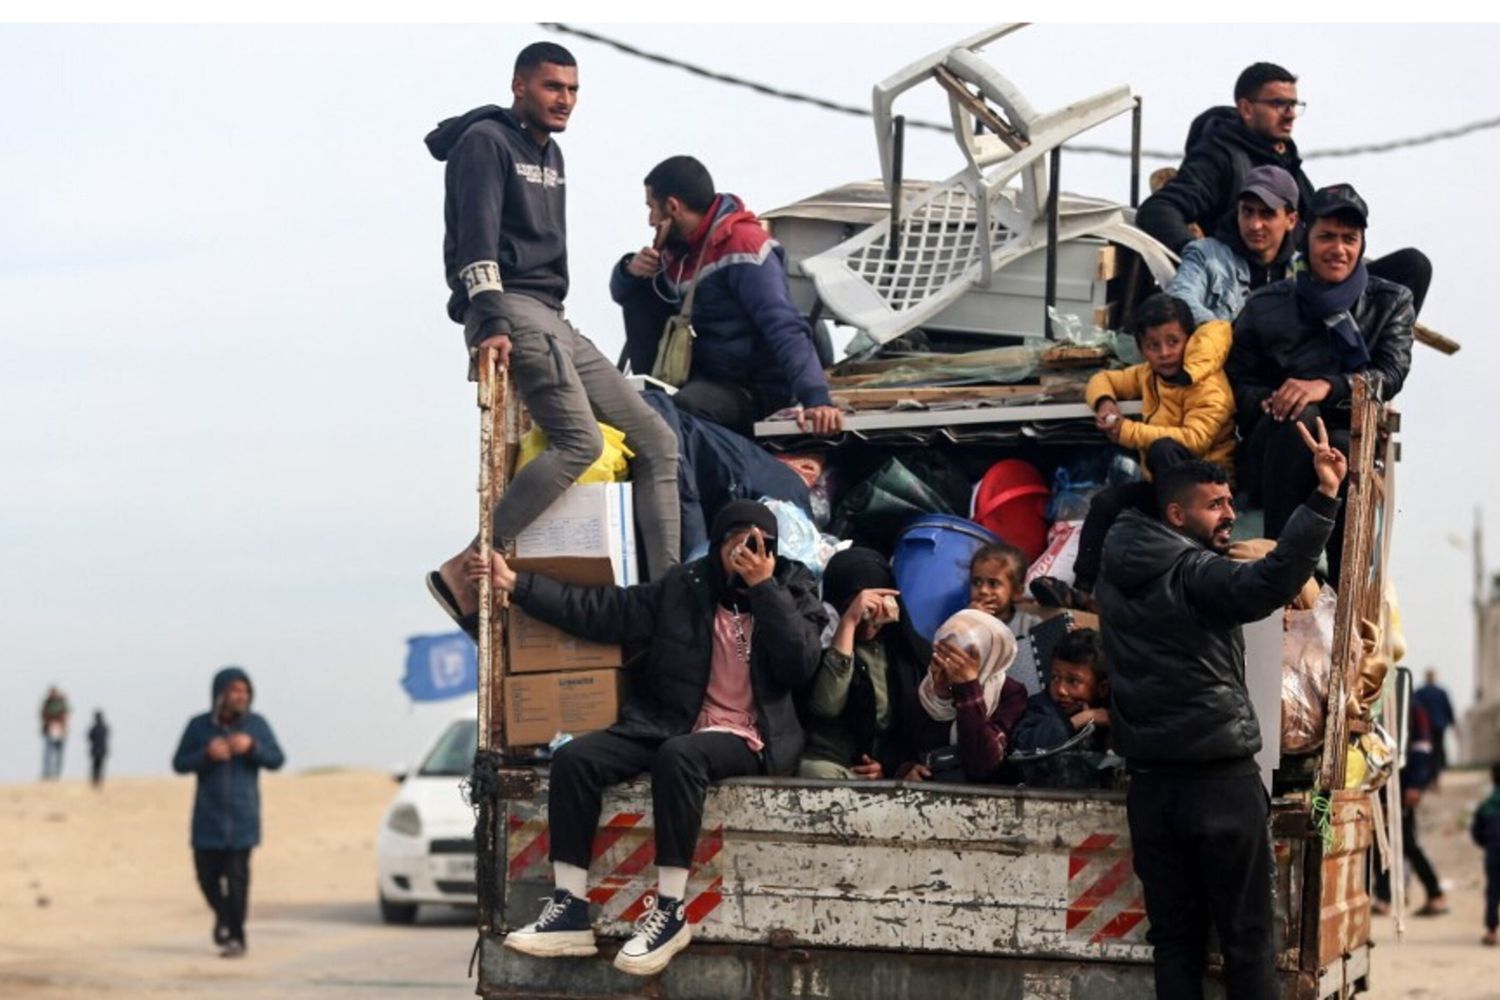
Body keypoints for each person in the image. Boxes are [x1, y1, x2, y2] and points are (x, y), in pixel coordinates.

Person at [471, 500, 824, 977]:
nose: (746, 552)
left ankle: (671, 913)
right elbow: (607, 611)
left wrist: (764, 590)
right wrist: (518, 583)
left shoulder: (793, 589)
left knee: (680, 758)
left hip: (747, 733)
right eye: (735, 542)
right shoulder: (686, 587)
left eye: (760, 544)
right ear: (718, 546)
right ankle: (569, 909)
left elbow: (799, 668)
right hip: (669, 721)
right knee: (576, 758)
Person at [424, 42, 682, 630]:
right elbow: (476, 240)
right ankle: (467, 563)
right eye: (552, 87)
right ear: (519, 86)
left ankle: (670, 599)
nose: (564, 99)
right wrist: (489, 322)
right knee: (579, 442)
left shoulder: (553, 153)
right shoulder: (484, 144)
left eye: (572, 89)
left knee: (658, 440)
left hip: (552, 312)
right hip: (508, 306)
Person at [1095, 421, 1347, 1000]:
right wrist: (1325, 495)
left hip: (1151, 790)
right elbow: (1271, 581)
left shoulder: (1113, 572)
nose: (1229, 514)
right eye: (1215, 505)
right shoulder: (1192, 573)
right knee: (1248, 941)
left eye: (1231, 501)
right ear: (1177, 516)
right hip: (1218, 782)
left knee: (1176, 943)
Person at [1226, 183, 1413, 584]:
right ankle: (1280, 569)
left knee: (1342, 447)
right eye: (1326, 237)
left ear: (1362, 244)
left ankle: (1341, 585)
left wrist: (1328, 386)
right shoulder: (1265, 304)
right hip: (1274, 443)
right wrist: (1277, 400)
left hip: (1347, 438)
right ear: (1304, 237)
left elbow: (1391, 373)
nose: (1338, 250)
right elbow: (1238, 382)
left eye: (1349, 239)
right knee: (1302, 418)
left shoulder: (1390, 301)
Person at [1139, 61, 1431, 312]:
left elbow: (1318, 220)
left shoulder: (1283, 157)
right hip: (1263, 292)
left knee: (1411, 268)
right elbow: (1158, 210)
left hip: (1306, 278)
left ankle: (1370, 367)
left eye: (1293, 104)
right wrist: (1201, 257)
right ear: (1246, 109)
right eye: (1279, 104)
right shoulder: (1219, 156)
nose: (1290, 113)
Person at [611, 155, 841, 438]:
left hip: (751, 387)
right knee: (638, 297)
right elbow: (626, 298)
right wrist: (630, 271)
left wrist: (816, 398)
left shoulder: (742, 245)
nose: (650, 220)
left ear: (673, 206)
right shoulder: (676, 253)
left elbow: (783, 324)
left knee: (684, 409)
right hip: (706, 376)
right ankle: (652, 392)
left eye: (652, 208)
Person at [1071, 293, 1235, 596]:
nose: (1164, 353)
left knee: (1163, 448)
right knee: (1105, 503)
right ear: (1141, 348)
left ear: (1189, 340)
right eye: (1153, 345)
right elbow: (1104, 378)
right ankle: (1081, 590)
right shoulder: (1149, 375)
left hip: (1209, 495)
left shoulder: (1209, 385)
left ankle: (1187, 551)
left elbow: (1196, 440)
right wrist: (1106, 404)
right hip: (1165, 491)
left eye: (1173, 342)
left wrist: (1126, 431)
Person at [171, 667, 285, 958]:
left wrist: (252, 748)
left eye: (245, 691)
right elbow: (180, 763)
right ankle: (223, 917)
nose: (241, 697)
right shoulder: (198, 726)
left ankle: (237, 937)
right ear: (220, 694)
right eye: (235, 691)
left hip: (243, 818)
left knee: (237, 882)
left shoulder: (256, 725)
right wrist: (206, 756)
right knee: (206, 877)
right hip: (208, 818)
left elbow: (276, 759)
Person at [797, 547, 929, 780]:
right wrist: (848, 624)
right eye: (860, 607)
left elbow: (911, 728)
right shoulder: (818, 642)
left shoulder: (904, 653)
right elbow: (827, 705)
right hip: (830, 763)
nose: (868, 618)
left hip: (883, 769)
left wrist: (890, 767)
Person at [895, 609, 1027, 784]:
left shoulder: (1009, 694)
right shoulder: (921, 694)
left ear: (989, 655)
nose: (950, 664)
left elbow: (983, 764)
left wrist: (968, 688)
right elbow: (895, 750)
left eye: (963, 657)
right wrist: (907, 770)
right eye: (944, 652)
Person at [1165, 165, 1300, 325]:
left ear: (1291, 220)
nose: (1255, 225)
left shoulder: (1305, 270)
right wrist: (1219, 334)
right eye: (1247, 212)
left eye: (1267, 214)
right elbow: (1179, 299)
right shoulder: (1205, 255)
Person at [1373, 697, 1449, 917]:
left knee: (1406, 842)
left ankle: (1436, 893)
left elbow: (1423, 747)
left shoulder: (1411, 705)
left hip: (1403, 788)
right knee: (1381, 840)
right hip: (1384, 785)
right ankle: (1384, 897)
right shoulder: (1378, 702)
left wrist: (1416, 784)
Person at [1011, 628, 1112, 789]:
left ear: (1102, 688)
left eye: (1073, 681)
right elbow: (1026, 745)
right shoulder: (1041, 706)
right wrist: (1081, 719)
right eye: (1055, 678)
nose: (1060, 690)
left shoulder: (1112, 711)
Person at [1469, 762, 1500, 945]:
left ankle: (1491, 930)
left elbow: (1476, 833)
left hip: (1494, 852)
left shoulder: (1486, 806)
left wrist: (1488, 845)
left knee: (1493, 891)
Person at [1414, 668, 1457, 786]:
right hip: (1439, 726)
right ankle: (1436, 778)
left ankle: (1428, 778)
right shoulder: (1441, 692)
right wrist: (1453, 725)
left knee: (1427, 752)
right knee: (1438, 752)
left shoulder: (1419, 692)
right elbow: (1449, 709)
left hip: (1425, 728)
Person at [39, 686, 69, 780]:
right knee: (48, 755)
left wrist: (63, 728)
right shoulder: (47, 703)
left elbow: (66, 716)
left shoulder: (62, 702)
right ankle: (47, 774)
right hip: (49, 731)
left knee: (58, 756)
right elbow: (43, 716)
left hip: (59, 732)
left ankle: (56, 775)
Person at [87, 710, 110, 789]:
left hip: (95, 750)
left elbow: (89, 737)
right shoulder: (105, 727)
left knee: (95, 767)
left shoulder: (94, 728)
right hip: (102, 750)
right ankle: (99, 781)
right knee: (100, 767)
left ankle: (95, 781)